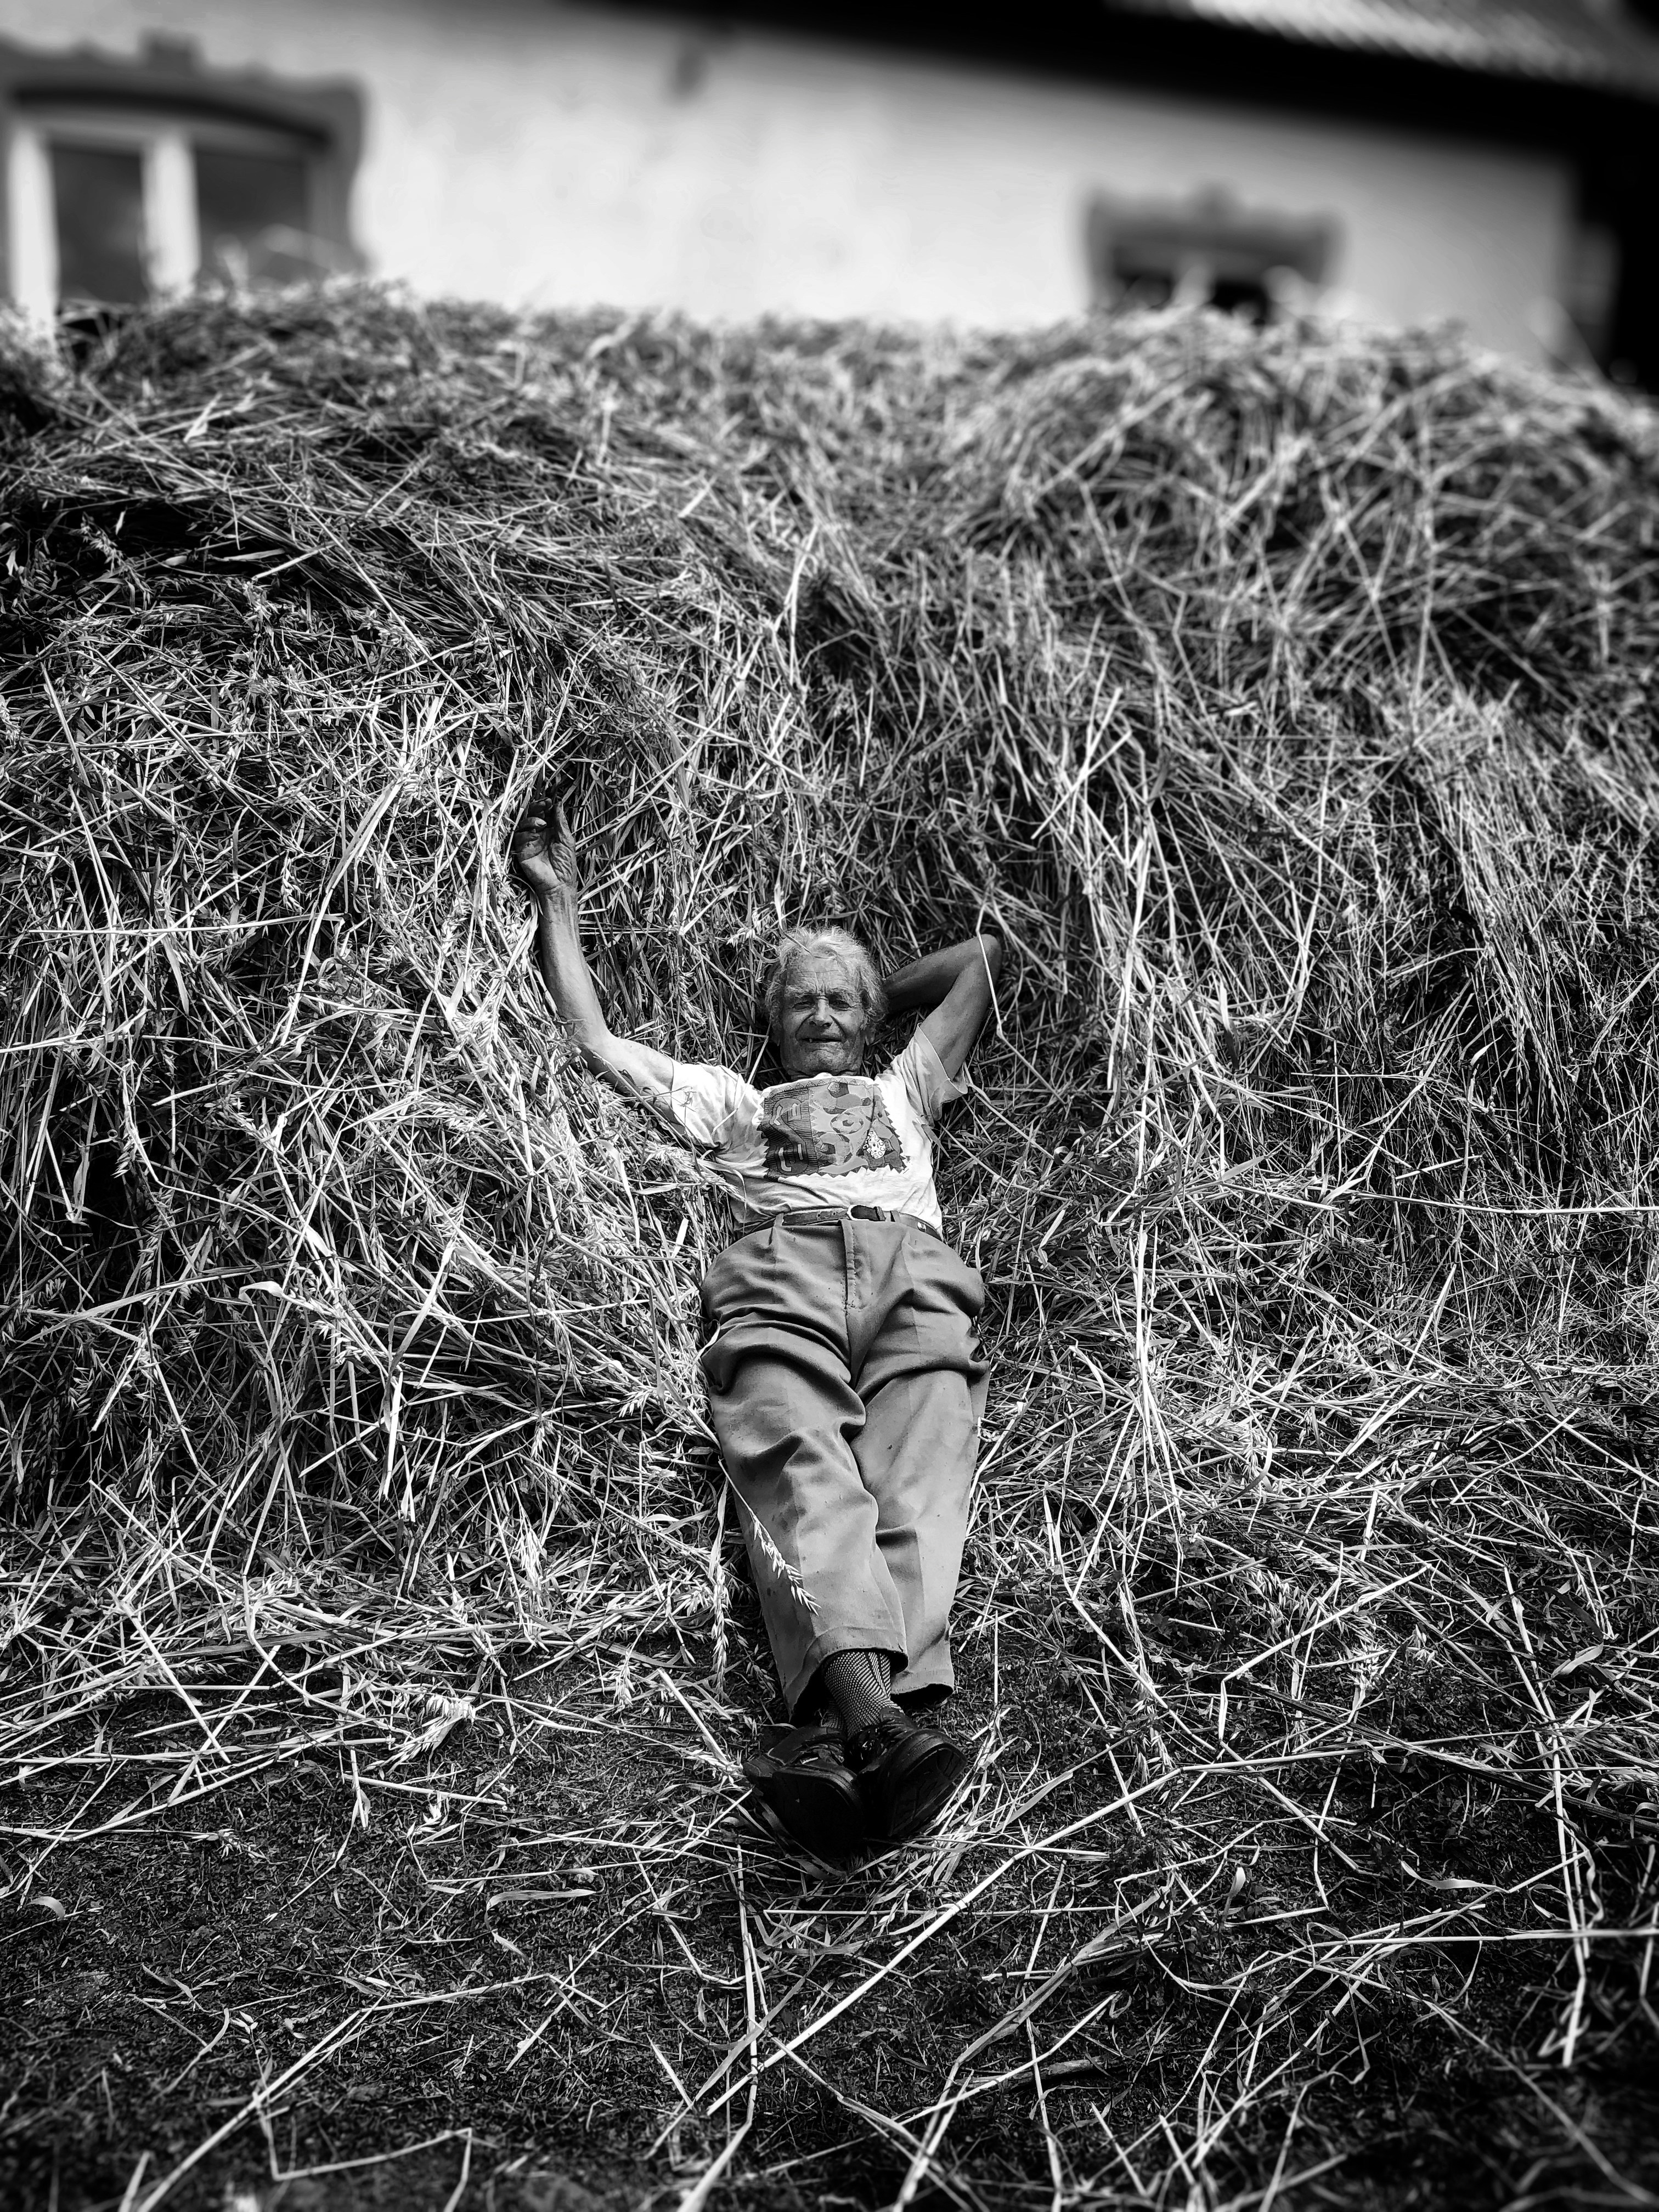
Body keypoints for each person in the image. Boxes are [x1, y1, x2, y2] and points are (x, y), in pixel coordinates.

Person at [511, 792, 1003, 1854]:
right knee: (795, 1458)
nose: (821, 1018)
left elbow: (984, 957)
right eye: (801, 1004)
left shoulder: (908, 1088)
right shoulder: (735, 1103)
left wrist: (875, 991)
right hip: (780, 1279)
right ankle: (882, 1729)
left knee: (920, 1480)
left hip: (913, 1273)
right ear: (771, 1023)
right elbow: (593, 1039)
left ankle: (851, 1730)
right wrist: (559, 905)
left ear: (871, 1021)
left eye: (841, 1003)